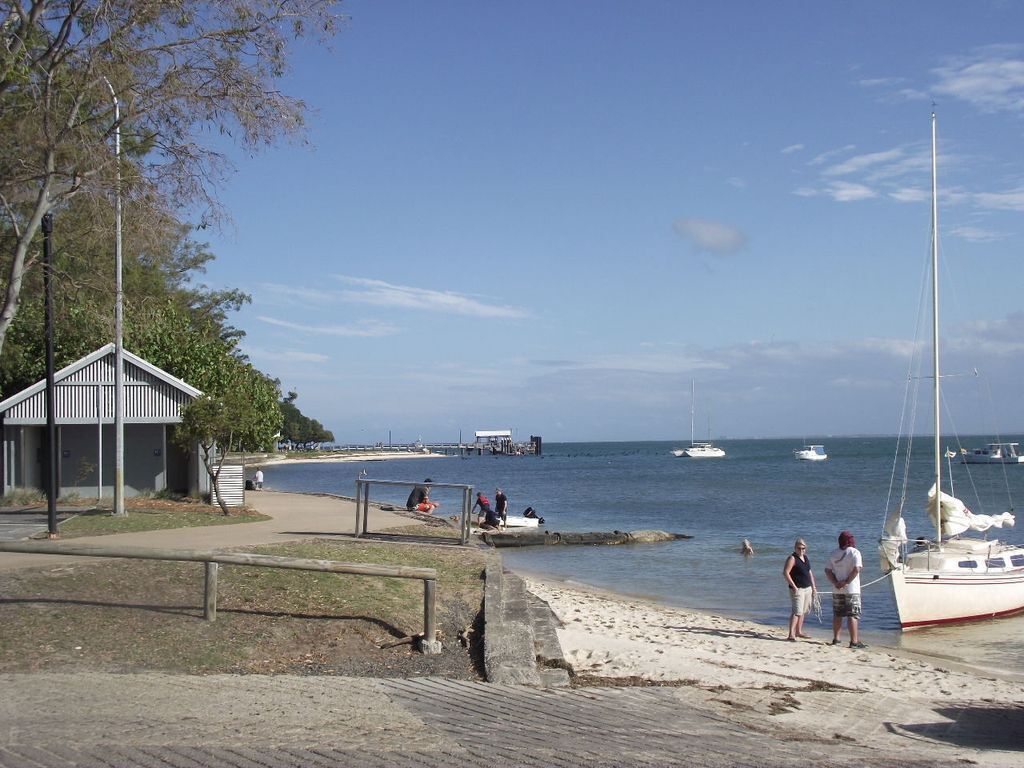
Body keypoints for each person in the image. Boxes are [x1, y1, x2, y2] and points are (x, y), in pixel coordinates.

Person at [825, 530, 865, 648]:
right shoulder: (855, 552)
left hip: (837, 588)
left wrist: (835, 582)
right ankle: (854, 641)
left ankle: (836, 639)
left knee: (838, 614)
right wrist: (846, 582)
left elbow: (827, 570)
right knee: (852, 615)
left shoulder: (833, 553)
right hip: (852, 588)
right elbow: (857, 569)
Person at [783, 537, 817, 641]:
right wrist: (794, 586)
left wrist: (814, 587)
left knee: (803, 611)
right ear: (795, 548)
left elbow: (809, 573)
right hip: (798, 589)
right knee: (796, 611)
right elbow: (786, 573)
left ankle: (799, 631)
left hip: (807, 588)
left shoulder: (805, 558)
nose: (801, 550)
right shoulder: (792, 558)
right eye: (799, 548)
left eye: (803, 548)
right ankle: (791, 634)